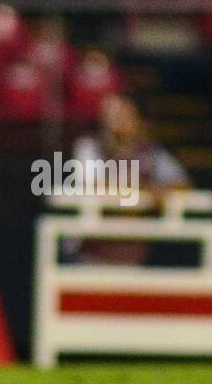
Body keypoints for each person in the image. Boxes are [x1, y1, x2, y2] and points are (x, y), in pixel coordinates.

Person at [70, 94, 190, 265]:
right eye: (113, 116)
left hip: (134, 252)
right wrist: (146, 190)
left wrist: (151, 191)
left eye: (125, 115)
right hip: (90, 250)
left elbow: (182, 184)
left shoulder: (150, 151)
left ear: (139, 120)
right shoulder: (90, 146)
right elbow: (93, 185)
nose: (117, 121)